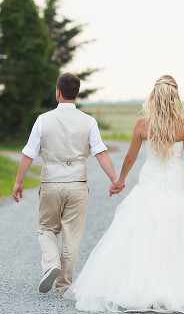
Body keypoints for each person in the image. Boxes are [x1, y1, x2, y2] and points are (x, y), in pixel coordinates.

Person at [63, 75, 184, 313]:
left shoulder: (143, 125)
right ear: (176, 97)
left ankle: (142, 285)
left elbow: (131, 157)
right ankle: (181, 285)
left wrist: (120, 180)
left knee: (145, 229)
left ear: (154, 96)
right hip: (177, 183)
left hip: (150, 182)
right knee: (180, 230)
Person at [13, 73, 121, 295]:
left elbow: (28, 154)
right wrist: (114, 179)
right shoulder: (89, 121)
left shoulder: (43, 120)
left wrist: (19, 182)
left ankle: (52, 262)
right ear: (77, 93)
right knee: (72, 235)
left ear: (58, 92)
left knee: (46, 228)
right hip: (78, 183)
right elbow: (100, 152)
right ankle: (64, 286)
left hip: (52, 181)